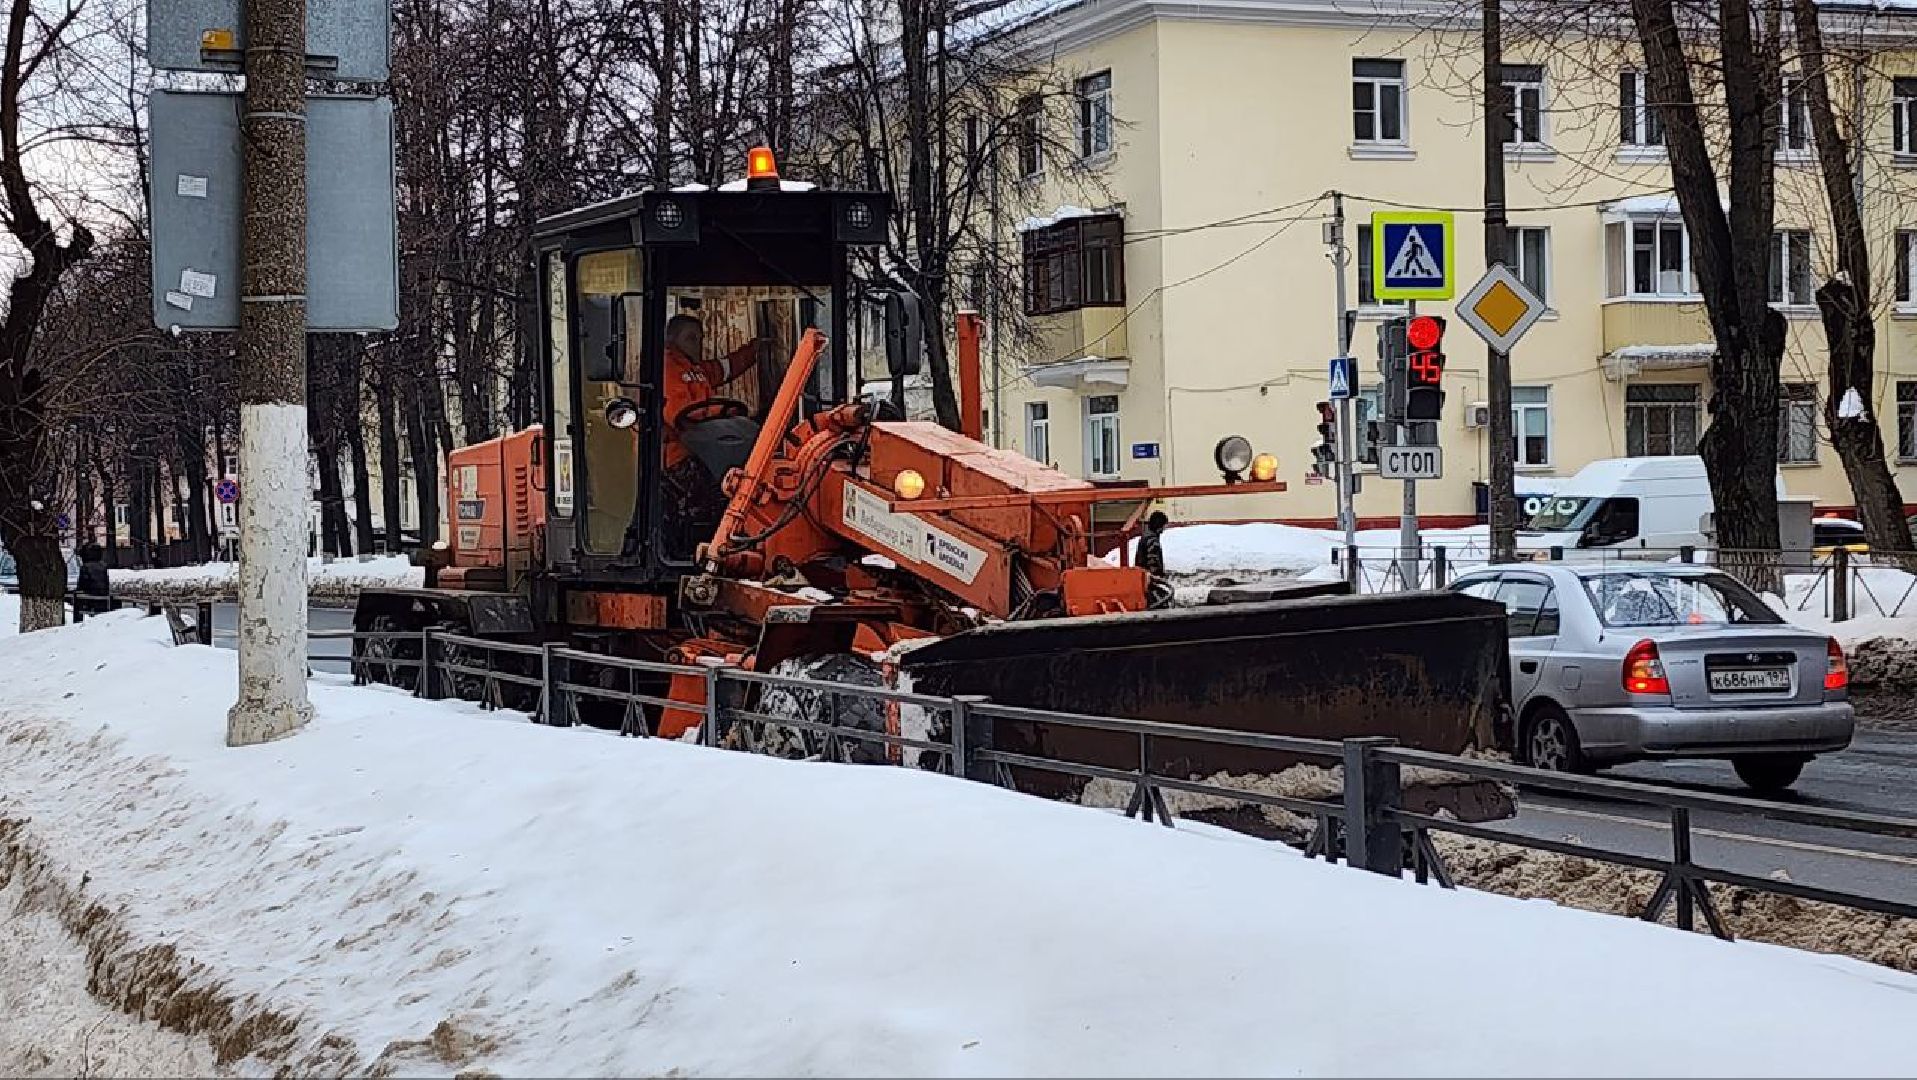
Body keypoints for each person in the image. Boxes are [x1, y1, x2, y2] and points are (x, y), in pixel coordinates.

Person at [660, 314, 766, 539]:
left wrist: (754, 350)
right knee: (731, 488)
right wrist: (719, 414)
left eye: (700, 339)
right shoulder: (666, 367)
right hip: (678, 457)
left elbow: (725, 368)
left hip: (705, 450)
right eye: (690, 338)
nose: (697, 344)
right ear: (671, 339)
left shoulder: (697, 369)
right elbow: (681, 414)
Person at [75, 542, 111, 616]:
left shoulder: (85, 567)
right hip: (103, 596)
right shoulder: (103, 566)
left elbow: (83, 584)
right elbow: (106, 582)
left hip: (91, 597)